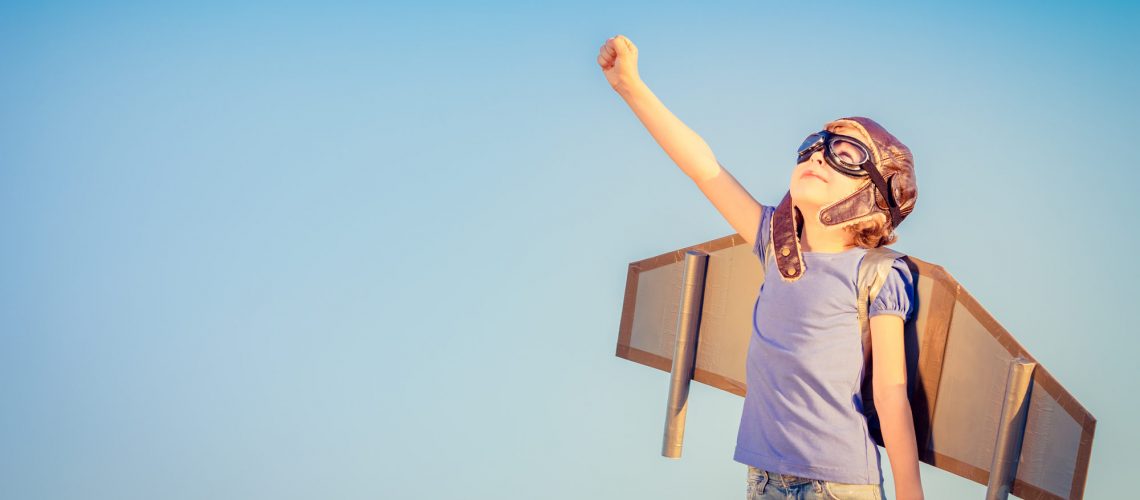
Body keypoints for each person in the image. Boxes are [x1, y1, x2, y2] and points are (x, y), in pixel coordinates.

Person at [597, 34, 925, 500]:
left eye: (845, 155)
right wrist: (631, 87)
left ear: (875, 191)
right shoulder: (776, 246)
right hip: (763, 480)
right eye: (814, 146)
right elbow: (704, 168)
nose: (818, 155)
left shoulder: (877, 272)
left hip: (838, 485)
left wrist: (912, 496)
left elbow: (891, 392)